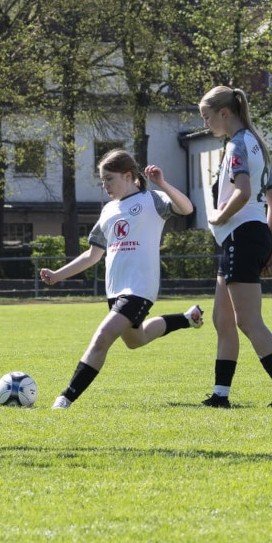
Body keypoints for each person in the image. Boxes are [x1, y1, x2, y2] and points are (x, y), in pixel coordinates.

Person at [38, 150, 202, 409]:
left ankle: (65, 398)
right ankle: (187, 319)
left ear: (128, 176)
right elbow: (92, 255)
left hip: (139, 288)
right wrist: (58, 275)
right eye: (102, 180)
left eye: (109, 179)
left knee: (102, 337)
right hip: (115, 291)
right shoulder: (108, 211)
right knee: (136, 340)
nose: (105, 186)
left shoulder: (152, 199)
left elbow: (187, 208)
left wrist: (162, 183)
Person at [199, 86, 272, 408]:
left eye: (207, 117)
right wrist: (270, 247)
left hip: (241, 237)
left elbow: (242, 192)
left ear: (224, 113)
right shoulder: (254, 143)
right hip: (249, 237)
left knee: (248, 320)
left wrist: (218, 216)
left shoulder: (237, 146)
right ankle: (220, 396)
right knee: (223, 319)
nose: (205, 124)